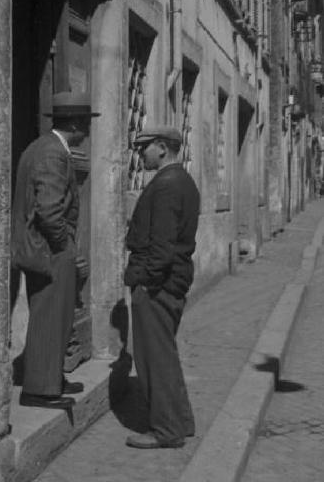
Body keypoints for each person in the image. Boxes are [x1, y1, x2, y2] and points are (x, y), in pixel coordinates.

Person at [11, 102, 98, 409]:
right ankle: (39, 389)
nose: (87, 130)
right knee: (50, 317)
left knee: (55, 316)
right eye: (85, 124)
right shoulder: (52, 152)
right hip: (50, 251)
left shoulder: (42, 147)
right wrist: (65, 246)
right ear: (74, 125)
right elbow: (49, 210)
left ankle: (52, 379)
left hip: (45, 249)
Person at [124, 126, 200, 448]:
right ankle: (181, 421)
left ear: (161, 147)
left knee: (154, 359)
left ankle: (166, 431)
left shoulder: (168, 185)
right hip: (170, 281)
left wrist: (145, 283)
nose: (141, 154)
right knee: (165, 355)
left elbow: (162, 247)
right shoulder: (180, 181)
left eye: (145, 148)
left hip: (159, 285)